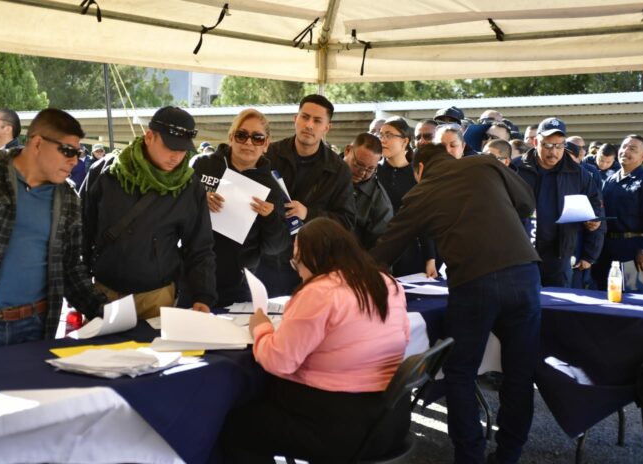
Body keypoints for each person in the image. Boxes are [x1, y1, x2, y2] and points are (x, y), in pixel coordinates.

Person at [371, 144, 541, 464]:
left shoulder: (423, 191)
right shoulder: (486, 164)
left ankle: (469, 455)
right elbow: (527, 202)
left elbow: (386, 248)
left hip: (474, 282)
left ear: (419, 169)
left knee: (461, 372)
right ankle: (509, 455)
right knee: (520, 373)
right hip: (524, 274)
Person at [223, 217, 410, 463]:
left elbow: (279, 361)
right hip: (390, 417)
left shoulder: (320, 292)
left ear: (312, 258)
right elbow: (404, 338)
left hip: (339, 426)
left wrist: (261, 329)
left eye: (297, 263)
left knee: (236, 426)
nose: (298, 272)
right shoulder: (386, 282)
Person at [0, 108, 106, 350]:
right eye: (68, 151)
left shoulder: (68, 197)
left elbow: (70, 268)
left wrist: (106, 312)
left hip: (36, 327)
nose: (74, 160)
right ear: (38, 143)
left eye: (78, 153)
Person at [81, 106, 216, 318]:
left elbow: (199, 246)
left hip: (156, 297)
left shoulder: (189, 186)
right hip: (102, 294)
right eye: (170, 146)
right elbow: (82, 229)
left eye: (183, 149)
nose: (177, 156)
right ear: (149, 137)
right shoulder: (106, 173)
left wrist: (203, 295)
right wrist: (80, 287)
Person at [256, 94, 356, 296]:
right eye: (305, 117)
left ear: (327, 128)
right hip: (266, 258)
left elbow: (346, 221)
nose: (309, 125)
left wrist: (308, 214)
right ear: (295, 119)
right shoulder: (269, 155)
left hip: (312, 264)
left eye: (317, 121)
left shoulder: (338, 169)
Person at [193, 109, 290, 306]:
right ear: (231, 138)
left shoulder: (271, 188)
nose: (248, 143)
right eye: (241, 135)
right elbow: (174, 209)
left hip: (238, 286)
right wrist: (198, 199)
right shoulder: (203, 165)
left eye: (257, 138)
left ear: (266, 144)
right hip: (193, 275)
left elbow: (276, 247)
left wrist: (270, 217)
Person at [511, 117, 604, 287]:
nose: (553, 152)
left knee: (558, 301)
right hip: (520, 252)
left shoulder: (578, 173)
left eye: (559, 146)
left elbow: (595, 205)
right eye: (547, 145)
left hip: (559, 256)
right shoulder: (516, 168)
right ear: (535, 142)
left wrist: (594, 220)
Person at [593, 135, 643, 293]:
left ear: (642, 157)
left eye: (632, 149)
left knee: (630, 299)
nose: (625, 151)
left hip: (633, 249)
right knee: (603, 295)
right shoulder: (610, 180)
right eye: (624, 147)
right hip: (606, 248)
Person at [377, 116, 435, 276]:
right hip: (376, 252)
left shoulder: (416, 176)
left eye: (389, 135)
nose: (383, 140)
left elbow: (424, 218)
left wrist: (430, 258)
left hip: (408, 254)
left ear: (404, 141)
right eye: (381, 135)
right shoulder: (372, 172)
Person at [343, 132, 393, 249]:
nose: (362, 172)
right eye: (358, 164)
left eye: (370, 169)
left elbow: (379, 248)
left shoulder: (380, 202)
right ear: (348, 150)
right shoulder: (325, 170)